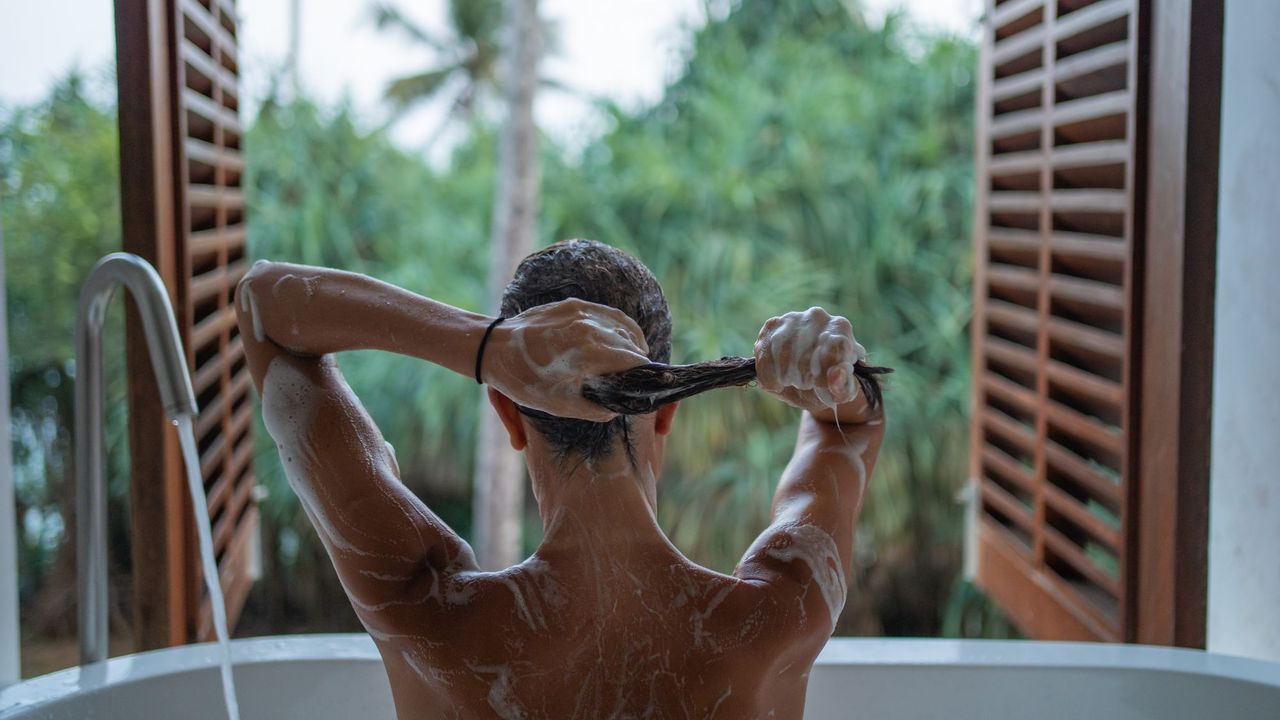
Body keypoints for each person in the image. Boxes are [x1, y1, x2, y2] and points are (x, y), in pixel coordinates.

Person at [235, 239, 884, 719]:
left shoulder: (424, 614)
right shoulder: (777, 618)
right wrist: (835, 379)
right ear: (666, 416)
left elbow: (264, 307)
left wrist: (485, 348)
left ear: (507, 413)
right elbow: (848, 430)